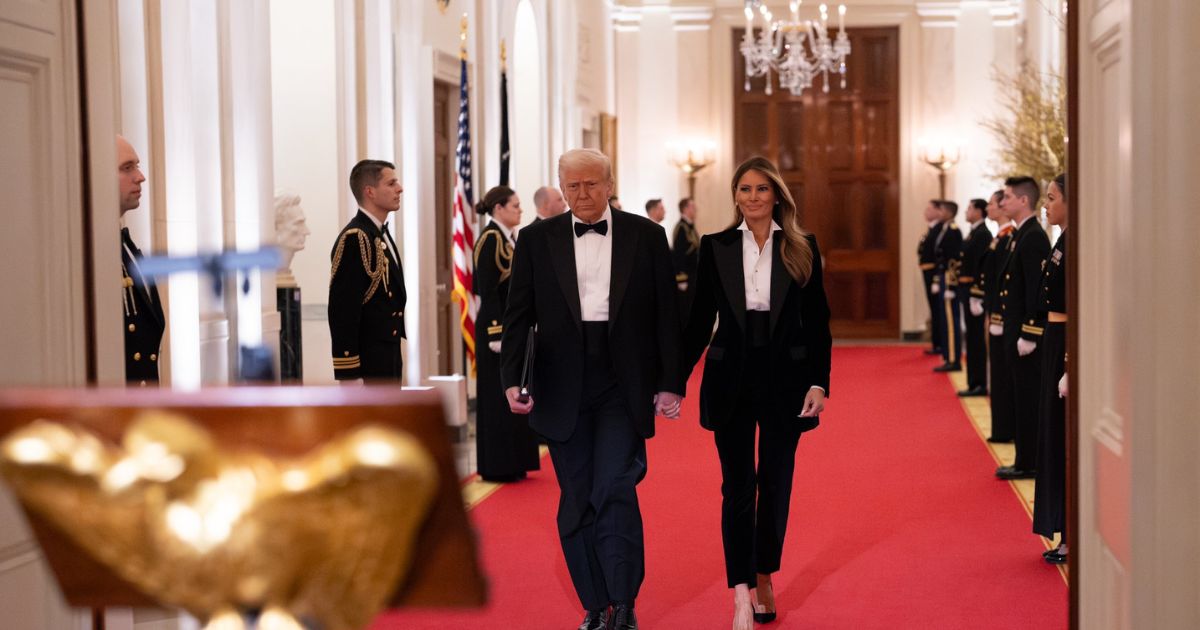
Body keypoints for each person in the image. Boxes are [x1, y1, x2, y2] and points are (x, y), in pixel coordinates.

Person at [500, 149, 683, 630]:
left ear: (609, 184)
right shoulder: (536, 240)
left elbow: (668, 315)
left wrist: (669, 384)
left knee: (616, 487)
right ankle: (594, 604)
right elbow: (519, 316)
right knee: (577, 495)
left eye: (591, 185)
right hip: (561, 385)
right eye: (573, 186)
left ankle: (623, 602)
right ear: (561, 187)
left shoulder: (647, 235)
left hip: (623, 382)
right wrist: (512, 380)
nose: (582, 195)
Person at [682, 156, 832, 630]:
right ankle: (741, 588)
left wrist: (818, 382)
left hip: (786, 379)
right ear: (735, 196)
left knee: (776, 482)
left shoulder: (802, 246)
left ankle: (765, 571)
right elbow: (698, 321)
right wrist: (671, 382)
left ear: (776, 196)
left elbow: (819, 324)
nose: (752, 198)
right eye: (744, 190)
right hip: (731, 376)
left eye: (761, 190)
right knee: (737, 486)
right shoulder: (716, 246)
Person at [473, 185, 540, 482]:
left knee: (516, 390)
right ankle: (499, 464)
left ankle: (516, 460)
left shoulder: (508, 239)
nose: (520, 210)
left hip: (513, 331)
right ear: (498, 208)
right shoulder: (490, 239)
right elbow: (487, 291)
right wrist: (496, 332)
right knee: (498, 398)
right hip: (495, 332)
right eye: (514, 205)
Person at [327, 159, 407, 382]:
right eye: (391, 183)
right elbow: (343, 310)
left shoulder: (377, 234)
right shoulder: (356, 238)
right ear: (370, 191)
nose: (399, 188)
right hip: (368, 362)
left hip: (386, 355)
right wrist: (349, 372)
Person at [994, 176, 1051, 480]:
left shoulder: (1033, 237)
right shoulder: (1021, 234)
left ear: (1023, 200)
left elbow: (1037, 290)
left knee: (1027, 399)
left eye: (1007, 197)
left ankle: (1028, 462)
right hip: (1015, 331)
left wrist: (1029, 331)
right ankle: (1024, 458)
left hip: (1026, 336)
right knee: (1021, 397)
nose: (1003, 202)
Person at [1033, 173, 1068, 563]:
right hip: (1053, 339)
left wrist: (1071, 364)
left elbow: (1078, 308)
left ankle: (1070, 534)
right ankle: (1061, 529)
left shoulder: (1075, 243)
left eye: (1053, 197)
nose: (1048, 203)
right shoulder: (1061, 241)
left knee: (1063, 440)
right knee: (1052, 435)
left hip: (1065, 344)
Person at [118, 135, 165, 386]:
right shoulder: (96, 253)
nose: (140, 176)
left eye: (136, 165)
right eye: (127, 168)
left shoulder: (126, 247)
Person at [980, 190, 1015, 442]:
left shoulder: (1008, 237)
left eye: (992, 204)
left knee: (1002, 373)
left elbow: (1004, 281)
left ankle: (1005, 428)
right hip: (992, 309)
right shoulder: (999, 237)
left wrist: (996, 314)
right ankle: (1001, 426)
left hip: (999, 313)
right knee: (998, 372)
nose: (989, 208)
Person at [957, 198, 992, 395]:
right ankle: (973, 382)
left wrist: (977, 294)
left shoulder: (983, 234)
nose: (966, 212)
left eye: (969, 208)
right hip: (966, 289)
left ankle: (979, 382)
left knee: (976, 338)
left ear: (979, 211)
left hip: (973, 291)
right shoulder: (974, 233)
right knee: (971, 337)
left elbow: (981, 267)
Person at [932, 200, 964, 372]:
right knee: (946, 320)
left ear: (950, 213)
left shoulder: (953, 231)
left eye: (942, 210)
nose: (939, 213)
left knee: (951, 322)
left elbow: (953, 260)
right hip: (943, 277)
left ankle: (953, 359)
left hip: (949, 279)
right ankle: (947, 355)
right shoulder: (944, 229)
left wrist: (951, 287)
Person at [918, 201, 943, 356]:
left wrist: (935, 279)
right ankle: (937, 343)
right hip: (927, 271)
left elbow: (939, 256)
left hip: (934, 273)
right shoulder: (931, 229)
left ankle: (939, 344)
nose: (925, 212)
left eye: (929, 209)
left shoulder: (939, 230)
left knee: (937, 309)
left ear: (938, 211)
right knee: (934, 309)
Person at [672, 197, 700, 322]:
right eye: (693, 207)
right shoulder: (681, 228)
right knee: (685, 311)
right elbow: (678, 255)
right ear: (685, 209)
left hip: (693, 274)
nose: (695, 210)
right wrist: (681, 279)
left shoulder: (690, 227)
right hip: (686, 277)